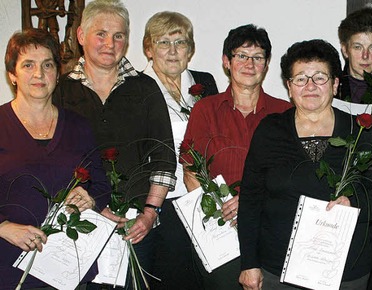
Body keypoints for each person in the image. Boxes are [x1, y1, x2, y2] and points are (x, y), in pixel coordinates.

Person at [238, 39, 372, 290]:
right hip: (279, 269)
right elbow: (251, 200)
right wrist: (249, 263)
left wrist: (352, 203)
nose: (310, 86)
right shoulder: (270, 130)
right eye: (300, 78)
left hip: (345, 269)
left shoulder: (358, 130)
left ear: (335, 84)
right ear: (289, 86)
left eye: (319, 77)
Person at [52, 0, 177, 288]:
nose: (110, 43)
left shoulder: (145, 89)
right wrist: (90, 208)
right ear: (81, 36)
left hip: (135, 227)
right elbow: (53, 159)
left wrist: (150, 213)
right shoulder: (60, 90)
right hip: (78, 223)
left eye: (119, 35)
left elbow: (164, 156)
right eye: (102, 34)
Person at [182, 24, 291, 289]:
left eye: (258, 57)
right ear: (226, 62)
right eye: (242, 55)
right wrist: (219, 210)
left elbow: (291, 175)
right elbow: (191, 169)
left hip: (270, 232)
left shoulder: (285, 113)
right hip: (221, 232)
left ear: (267, 65)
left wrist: (251, 203)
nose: (250, 64)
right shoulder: (205, 109)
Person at [0, 28, 110, 289]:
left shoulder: (78, 126)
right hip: (8, 268)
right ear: (12, 75)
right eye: (28, 65)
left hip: (70, 268)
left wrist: (90, 198)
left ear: (57, 74)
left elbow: (103, 186)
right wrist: (4, 228)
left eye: (47, 65)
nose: (39, 74)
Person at [141, 11, 218, 289]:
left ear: (191, 49)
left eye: (180, 42)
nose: (172, 51)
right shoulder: (136, 89)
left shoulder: (205, 82)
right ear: (148, 49)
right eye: (163, 42)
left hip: (206, 198)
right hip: (165, 202)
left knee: (207, 278)